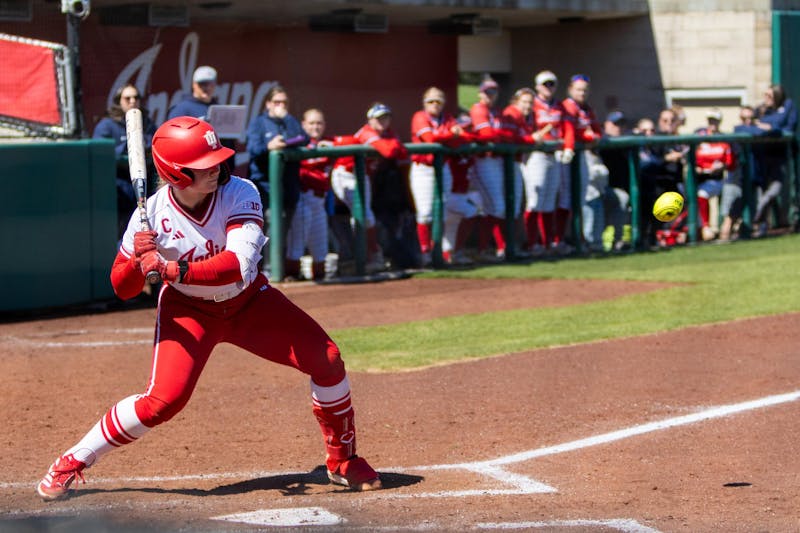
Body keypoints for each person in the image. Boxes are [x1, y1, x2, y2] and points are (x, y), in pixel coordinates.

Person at [36, 116, 381, 501]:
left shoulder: (241, 192)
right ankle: (72, 460)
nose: (215, 169)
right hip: (188, 310)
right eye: (204, 166)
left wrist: (169, 267)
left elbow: (237, 264)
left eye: (216, 160)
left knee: (327, 359)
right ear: (177, 174)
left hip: (250, 301)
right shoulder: (148, 216)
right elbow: (122, 288)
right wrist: (137, 259)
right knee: (161, 403)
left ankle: (342, 460)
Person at [331, 103, 409, 272]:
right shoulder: (367, 132)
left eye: (386, 117)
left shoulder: (387, 133)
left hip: (362, 175)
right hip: (346, 174)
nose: (383, 121)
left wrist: (392, 143)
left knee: (364, 216)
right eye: (379, 118)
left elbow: (402, 153)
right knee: (363, 215)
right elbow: (390, 152)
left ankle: (368, 256)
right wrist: (393, 143)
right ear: (370, 120)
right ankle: (369, 256)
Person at [521, 70, 576, 256]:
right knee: (535, 200)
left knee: (549, 201)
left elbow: (568, 128)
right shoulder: (532, 104)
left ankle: (546, 244)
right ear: (537, 86)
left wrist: (568, 147)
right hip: (535, 155)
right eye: (545, 84)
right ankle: (531, 243)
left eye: (552, 84)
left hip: (554, 155)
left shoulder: (559, 106)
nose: (549, 87)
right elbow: (522, 127)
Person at [92, 83, 157, 240]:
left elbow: (155, 146)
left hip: (144, 184)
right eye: (127, 98)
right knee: (123, 231)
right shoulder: (107, 125)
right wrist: (126, 147)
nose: (132, 101)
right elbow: (100, 155)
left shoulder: (146, 122)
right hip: (119, 186)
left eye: (136, 97)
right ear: (118, 101)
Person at [409, 87, 463, 266]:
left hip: (443, 167)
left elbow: (458, 140)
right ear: (425, 103)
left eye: (438, 101)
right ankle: (425, 252)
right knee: (425, 213)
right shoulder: (419, 116)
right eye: (431, 101)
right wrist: (449, 134)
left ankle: (439, 251)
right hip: (423, 169)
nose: (435, 105)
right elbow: (430, 138)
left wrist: (450, 136)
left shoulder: (447, 118)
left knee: (442, 211)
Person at [246, 84, 309, 225]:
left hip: (289, 188)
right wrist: (269, 146)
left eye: (284, 103)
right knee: (270, 234)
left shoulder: (290, 121)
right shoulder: (259, 123)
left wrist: (287, 121)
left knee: (283, 238)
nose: (281, 106)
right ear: (268, 104)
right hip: (266, 189)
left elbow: (305, 138)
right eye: (277, 102)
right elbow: (253, 149)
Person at [469, 76, 516, 262]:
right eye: (487, 92)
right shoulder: (478, 108)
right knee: (497, 206)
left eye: (493, 92)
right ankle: (493, 248)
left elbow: (510, 135)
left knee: (495, 208)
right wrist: (503, 135)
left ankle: (490, 249)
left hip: (496, 161)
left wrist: (502, 136)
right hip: (482, 161)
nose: (490, 95)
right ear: (481, 93)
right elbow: (486, 133)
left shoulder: (497, 112)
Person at [284, 108, 333, 281]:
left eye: (319, 123)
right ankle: (291, 275)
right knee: (297, 243)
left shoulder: (329, 143)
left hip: (320, 201)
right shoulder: (299, 142)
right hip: (303, 198)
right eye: (312, 123)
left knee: (320, 246)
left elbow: (351, 141)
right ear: (303, 124)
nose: (316, 127)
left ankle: (319, 276)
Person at [561, 74, 606, 251]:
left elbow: (597, 130)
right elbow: (570, 130)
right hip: (567, 156)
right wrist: (588, 136)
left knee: (583, 196)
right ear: (570, 89)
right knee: (567, 199)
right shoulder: (567, 106)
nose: (582, 93)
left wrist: (593, 136)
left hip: (583, 156)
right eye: (579, 89)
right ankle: (572, 238)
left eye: (585, 89)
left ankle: (583, 238)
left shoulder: (587, 108)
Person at [752, 84, 798, 236]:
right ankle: (761, 228)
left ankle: (761, 213)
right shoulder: (761, 110)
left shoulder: (788, 106)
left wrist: (770, 126)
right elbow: (751, 127)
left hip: (780, 156)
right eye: (765, 95)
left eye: (769, 96)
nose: (766, 99)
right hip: (761, 157)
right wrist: (768, 124)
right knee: (762, 189)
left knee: (774, 190)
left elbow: (786, 126)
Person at [636, 115, 685, 248]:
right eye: (645, 131)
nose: (649, 134)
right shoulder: (640, 147)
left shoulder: (656, 146)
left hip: (659, 188)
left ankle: (659, 238)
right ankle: (645, 240)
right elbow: (647, 164)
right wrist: (667, 158)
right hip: (642, 188)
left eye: (651, 130)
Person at [692, 108, 736, 241]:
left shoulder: (724, 140)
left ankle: (715, 228)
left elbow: (730, 163)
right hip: (699, 178)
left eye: (715, 120)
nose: (712, 123)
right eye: (710, 120)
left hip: (718, 178)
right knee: (699, 194)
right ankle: (704, 228)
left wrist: (721, 166)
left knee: (706, 193)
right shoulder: (700, 137)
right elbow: (690, 158)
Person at [597, 110, 632, 251]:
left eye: (621, 124)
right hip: (599, 188)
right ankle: (606, 241)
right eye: (615, 124)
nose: (618, 127)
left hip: (618, 188)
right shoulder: (601, 140)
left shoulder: (627, 141)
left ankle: (620, 240)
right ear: (606, 124)